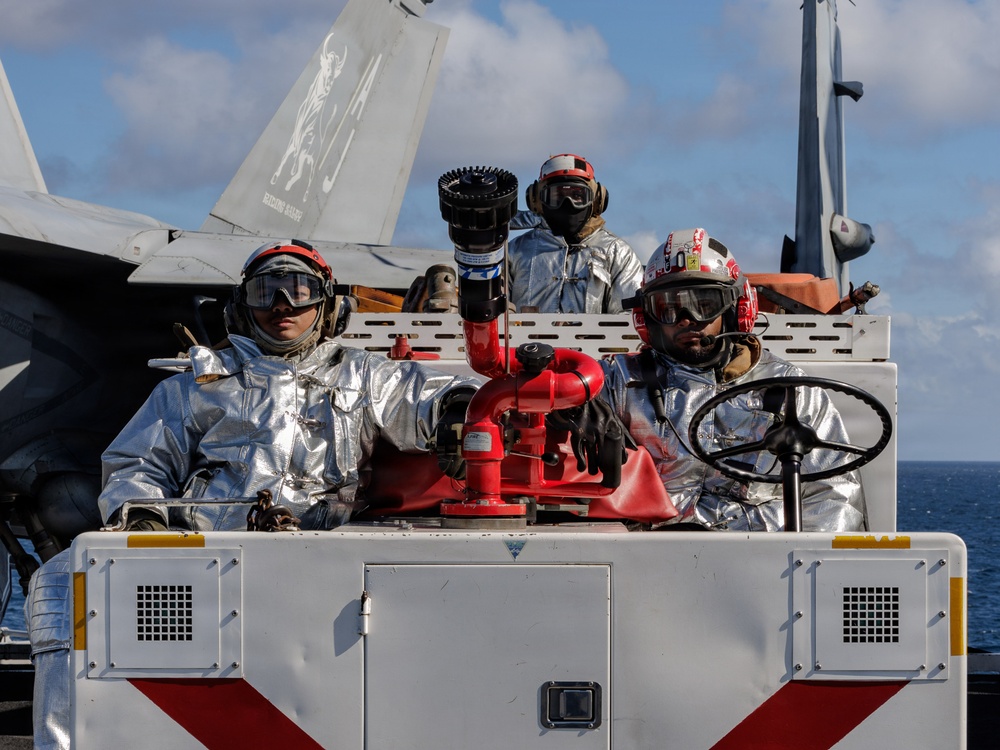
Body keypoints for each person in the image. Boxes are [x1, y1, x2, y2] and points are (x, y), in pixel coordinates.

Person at [26, 240, 477, 749]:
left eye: (300, 289)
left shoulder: (364, 376)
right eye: (266, 291)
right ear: (242, 307)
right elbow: (138, 462)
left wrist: (461, 408)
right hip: (208, 556)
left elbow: (429, 395)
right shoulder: (199, 382)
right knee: (63, 581)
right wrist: (144, 520)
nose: (283, 304)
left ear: (327, 304)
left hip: (329, 550)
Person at [568, 227, 867, 532]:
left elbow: (834, 495)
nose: (687, 319)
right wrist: (572, 407)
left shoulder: (790, 390)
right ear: (647, 317)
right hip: (648, 555)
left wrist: (797, 565)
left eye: (705, 305)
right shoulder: (619, 383)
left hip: (761, 561)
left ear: (737, 307)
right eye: (668, 308)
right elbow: (548, 398)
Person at [506, 153, 643, 313]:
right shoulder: (515, 251)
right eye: (557, 196)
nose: (567, 203)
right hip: (524, 339)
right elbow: (496, 315)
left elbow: (629, 317)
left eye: (578, 195)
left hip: (595, 339)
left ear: (597, 199)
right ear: (537, 199)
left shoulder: (617, 252)